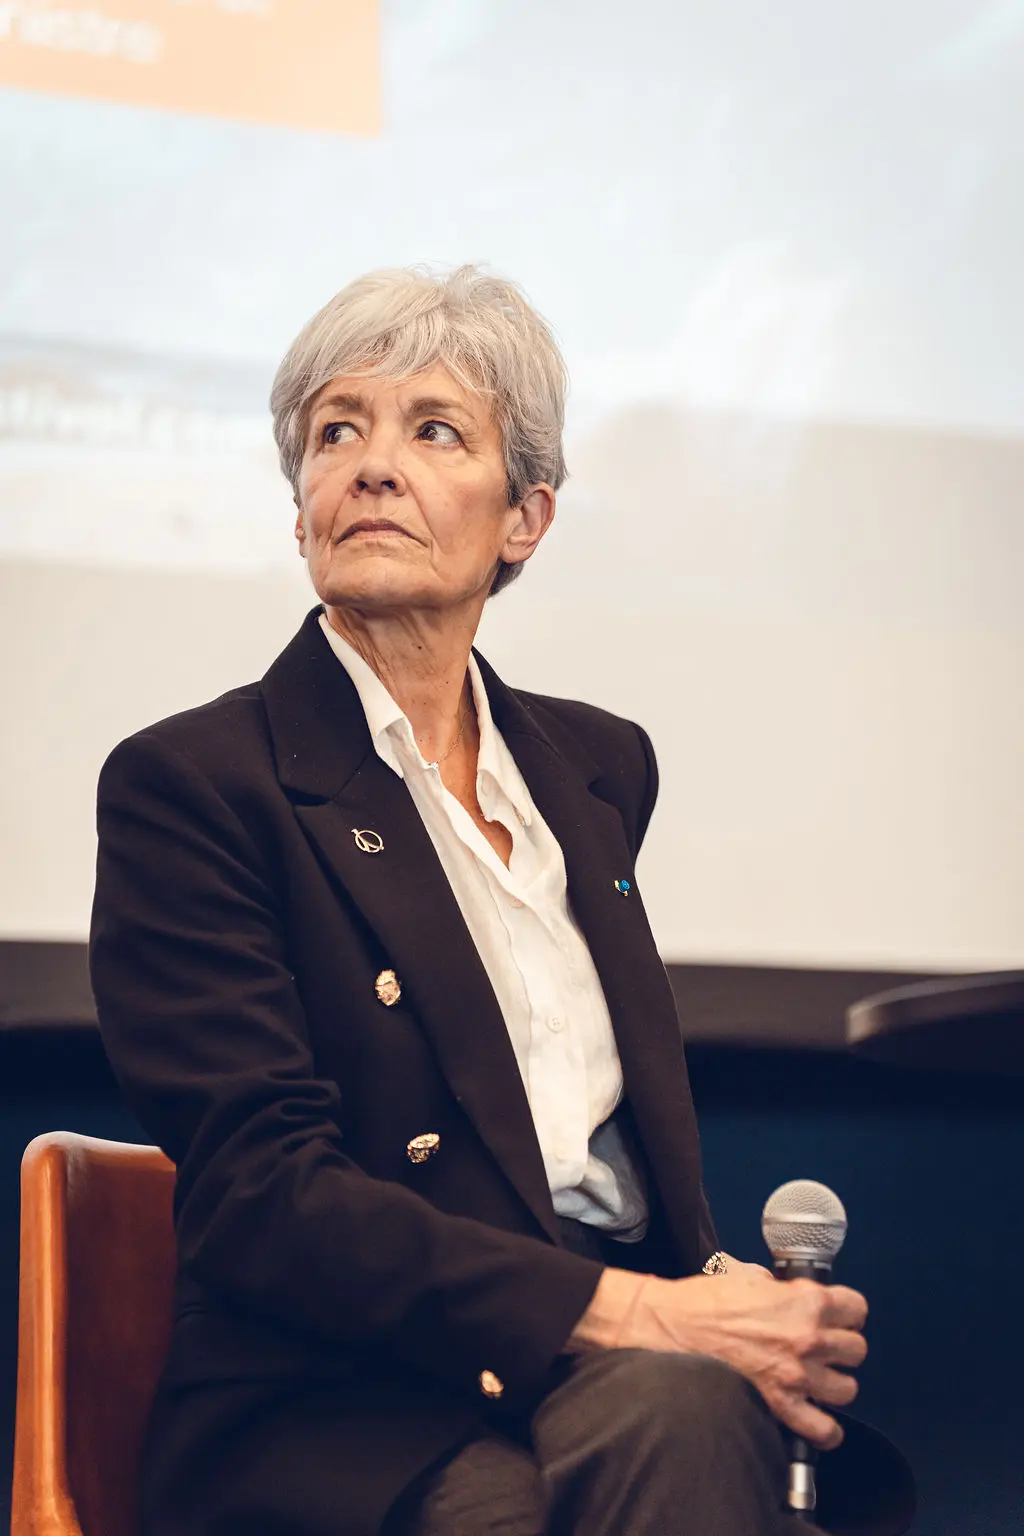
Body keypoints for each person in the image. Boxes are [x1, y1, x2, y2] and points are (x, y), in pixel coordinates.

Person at [90, 265, 912, 1536]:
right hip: (350, 1401)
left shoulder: (597, 769)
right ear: (301, 506)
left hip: (622, 1369)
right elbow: (263, 1199)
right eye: (336, 432)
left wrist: (717, 1298)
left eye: (433, 431)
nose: (372, 466)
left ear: (523, 517)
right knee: (660, 1427)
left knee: (697, 1419)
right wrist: (650, 1317)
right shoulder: (194, 784)